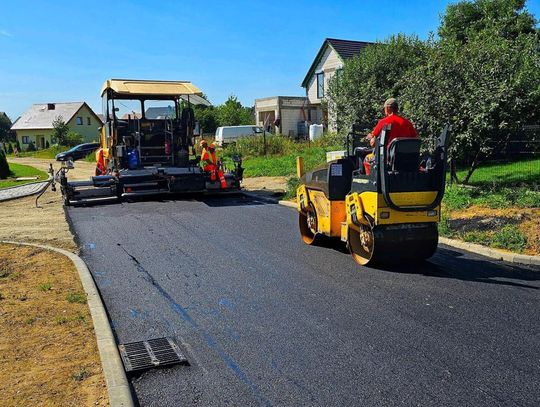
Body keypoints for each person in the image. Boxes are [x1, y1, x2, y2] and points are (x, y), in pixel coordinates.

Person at [363, 98, 418, 174]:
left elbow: (373, 144)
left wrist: (371, 138)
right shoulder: (408, 123)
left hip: (388, 160)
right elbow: (415, 140)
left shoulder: (383, 122)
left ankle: (370, 184)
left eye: (384, 108)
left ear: (388, 108)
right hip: (407, 160)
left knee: (367, 158)